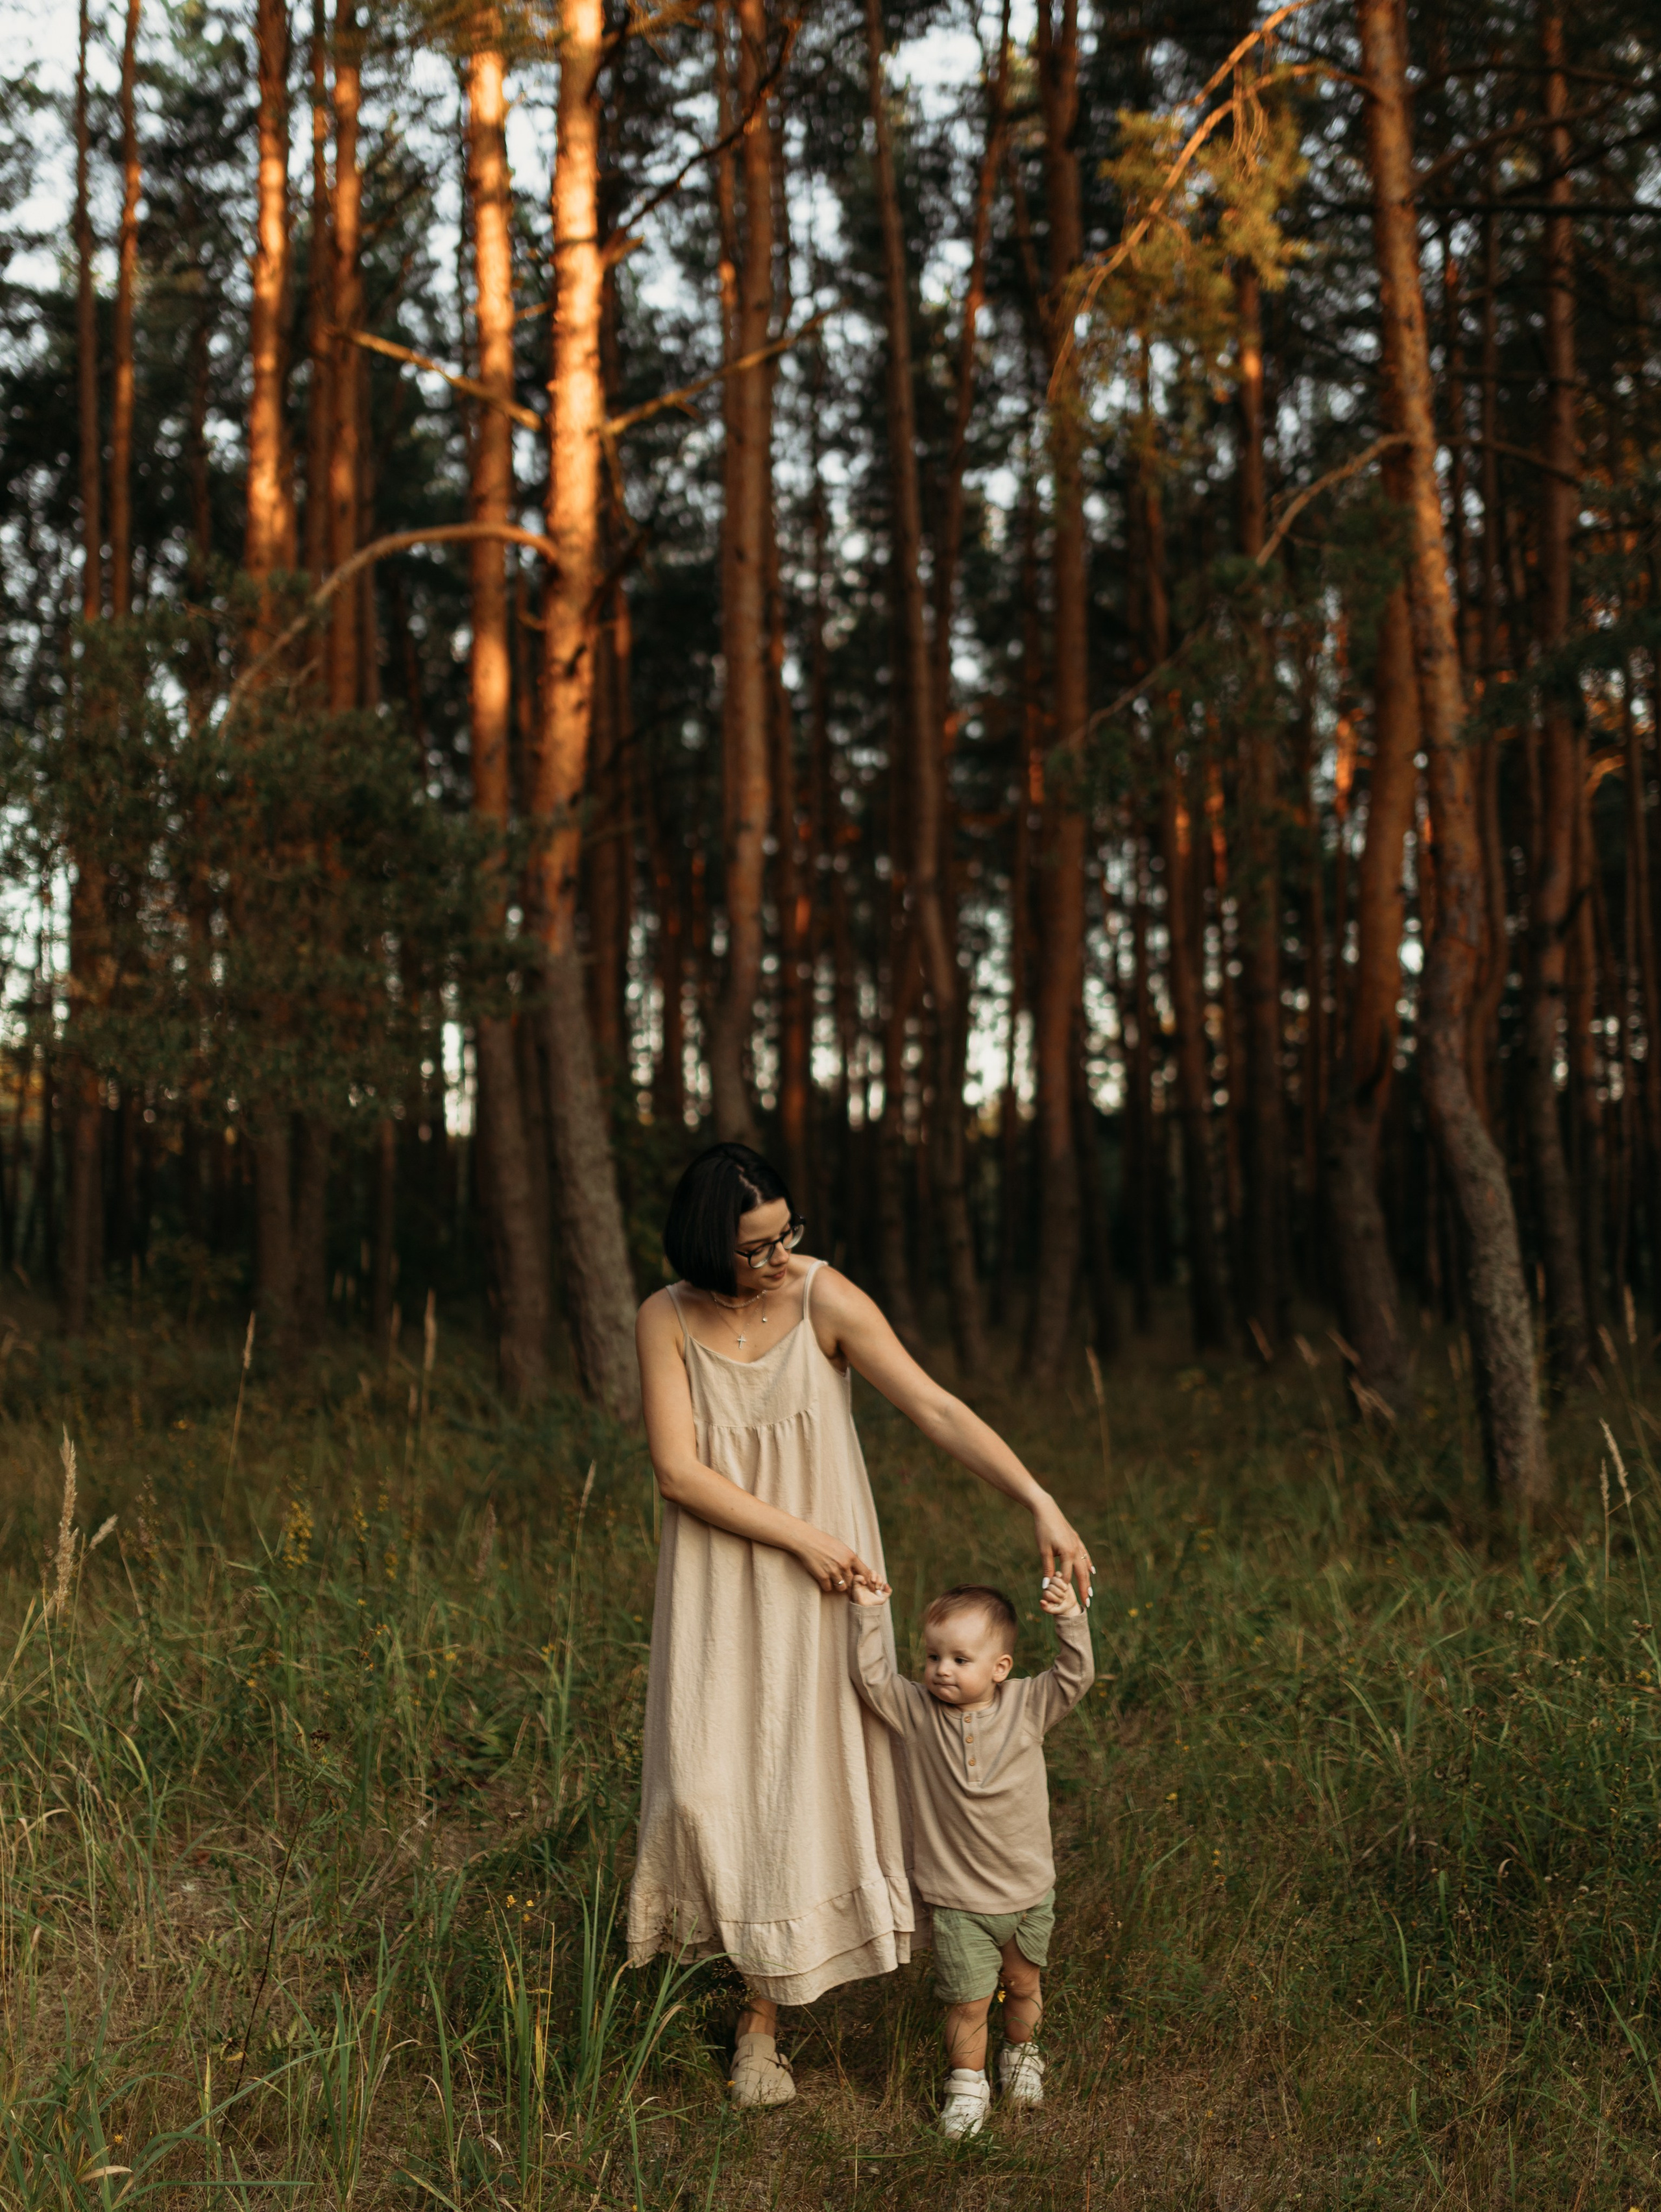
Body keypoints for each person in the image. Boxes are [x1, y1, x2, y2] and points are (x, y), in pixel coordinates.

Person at [627, 1142, 1096, 2110]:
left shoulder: (824, 1296)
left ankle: (764, 2024)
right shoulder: (664, 1317)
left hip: (826, 1585)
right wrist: (800, 1533)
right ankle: (756, 1979)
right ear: (707, 1246)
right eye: (756, 1247)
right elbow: (679, 1470)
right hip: (725, 1576)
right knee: (707, 1784)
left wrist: (1037, 1496)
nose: (778, 1257)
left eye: (785, 1235)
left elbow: (932, 1405)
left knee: (798, 1775)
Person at [846, 1572, 1092, 2136]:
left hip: (1027, 1891)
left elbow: (1076, 1675)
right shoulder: (918, 1713)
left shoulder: (1028, 1704)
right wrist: (866, 1614)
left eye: (960, 1659)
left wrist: (1069, 1618)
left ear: (1000, 1668)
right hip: (958, 1898)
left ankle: (1022, 2055)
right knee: (968, 2002)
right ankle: (967, 2085)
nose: (941, 1670)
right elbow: (873, 1679)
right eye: (933, 1656)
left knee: (1024, 1985)